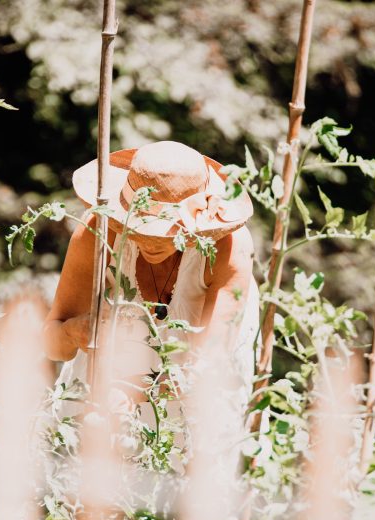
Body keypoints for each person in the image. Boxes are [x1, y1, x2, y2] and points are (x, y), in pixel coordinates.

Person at [43, 140, 260, 419]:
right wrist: (75, 331)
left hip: (193, 397)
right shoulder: (98, 232)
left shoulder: (229, 248)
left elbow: (207, 367)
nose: (151, 242)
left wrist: (130, 390)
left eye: (164, 232)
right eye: (138, 228)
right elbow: (52, 346)